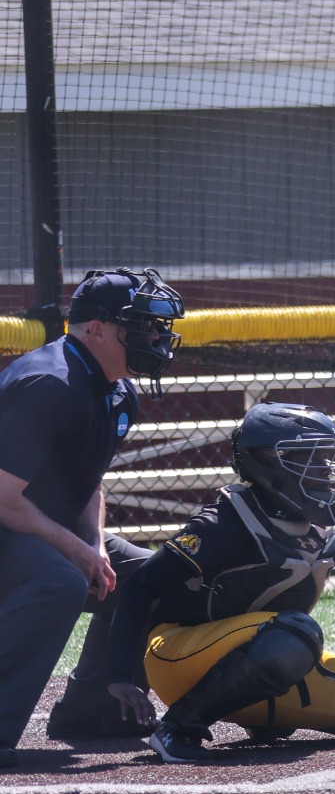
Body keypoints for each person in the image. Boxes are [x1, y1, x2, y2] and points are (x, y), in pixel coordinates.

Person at [102, 404, 335, 762]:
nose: (326, 470)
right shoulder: (225, 522)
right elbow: (140, 586)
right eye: (311, 459)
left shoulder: (326, 515)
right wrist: (120, 675)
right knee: (296, 634)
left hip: (271, 645)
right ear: (269, 461)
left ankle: (257, 711)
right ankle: (178, 727)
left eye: (325, 457)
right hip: (180, 656)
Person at [0, 268, 183, 768]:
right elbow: (2, 497)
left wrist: (96, 543)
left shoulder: (118, 391)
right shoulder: (48, 383)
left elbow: (87, 478)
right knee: (59, 580)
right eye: (142, 326)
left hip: (29, 530)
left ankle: (93, 711)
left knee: (152, 574)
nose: (154, 338)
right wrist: (74, 551)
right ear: (97, 329)